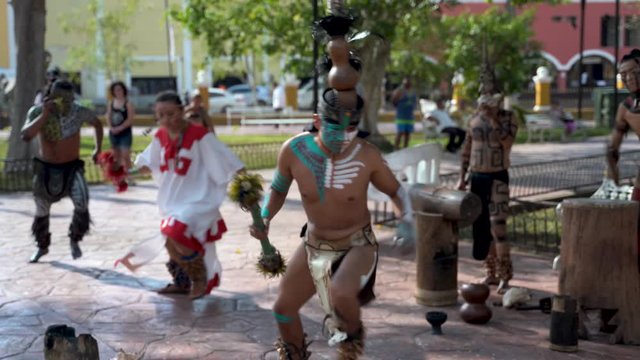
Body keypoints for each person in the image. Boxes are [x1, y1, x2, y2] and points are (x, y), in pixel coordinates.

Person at [250, 15, 415, 357]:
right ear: (316, 121)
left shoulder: (367, 155)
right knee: (283, 308)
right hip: (314, 242)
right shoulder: (293, 150)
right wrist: (265, 216)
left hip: (357, 243)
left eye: (352, 128)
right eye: (334, 128)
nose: (344, 137)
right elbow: (279, 189)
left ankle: (351, 342)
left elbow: (397, 192)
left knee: (341, 294)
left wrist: (406, 219)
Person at [120, 91, 244, 300]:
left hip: (199, 199)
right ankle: (181, 282)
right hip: (173, 199)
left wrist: (245, 183)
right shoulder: (160, 135)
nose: (166, 119)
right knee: (170, 239)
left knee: (176, 232)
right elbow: (147, 163)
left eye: (170, 114)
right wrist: (126, 170)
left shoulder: (199, 135)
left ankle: (199, 278)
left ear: (181, 110)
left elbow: (226, 160)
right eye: (160, 115)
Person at [20, 79, 104, 263]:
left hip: (72, 168)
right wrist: (44, 114)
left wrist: (97, 148)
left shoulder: (79, 111)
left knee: (82, 202)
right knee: (42, 209)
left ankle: (75, 239)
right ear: (51, 96)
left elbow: (97, 123)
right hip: (46, 169)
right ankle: (42, 246)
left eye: (68, 99)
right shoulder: (37, 111)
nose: (65, 103)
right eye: (60, 98)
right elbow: (26, 135)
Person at [457, 70, 518, 295]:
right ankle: (491, 272)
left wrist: (493, 119)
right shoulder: (473, 119)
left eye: (490, 91)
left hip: (497, 177)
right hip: (477, 178)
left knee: (498, 228)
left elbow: (507, 143)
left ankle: (505, 275)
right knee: (482, 227)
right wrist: (461, 178)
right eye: (483, 91)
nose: (485, 94)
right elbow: (466, 151)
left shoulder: (508, 118)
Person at [606, 48, 640, 271]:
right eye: (623, 74)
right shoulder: (626, 108)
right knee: (635, 235)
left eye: (632, 72)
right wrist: (612, 172)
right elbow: (613, 146)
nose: (628, 78)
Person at [104, 81, 135, 189]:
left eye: (120, 89)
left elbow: (130, 119)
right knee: (116, 157)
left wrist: (120, 128)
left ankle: (130, 176)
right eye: (115, 90)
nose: (118, 92)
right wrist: (111, 128)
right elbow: (108, 116)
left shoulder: (128, 103)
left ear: (124, 90)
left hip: (125, 132)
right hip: (114, 133)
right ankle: (119, 178)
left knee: (126, 155)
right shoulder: (111, 103)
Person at [391, 77, 418, 149]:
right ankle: (396, 148)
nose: (408, 84)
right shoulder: (399, 91)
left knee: (407, 133)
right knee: (400, 133)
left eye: (409, 83)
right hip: (401, 116)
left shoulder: (413, 92)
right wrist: (398, 98)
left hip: (409, 116)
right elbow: (394, 102)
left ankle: (405, 148)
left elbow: (415, 102)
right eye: (406, 83)